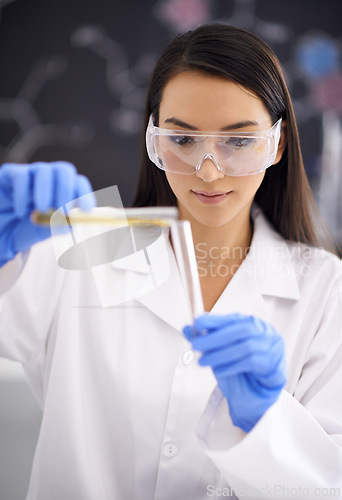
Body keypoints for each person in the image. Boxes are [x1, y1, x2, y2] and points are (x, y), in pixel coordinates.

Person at [0, 23, 341, 500]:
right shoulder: (88, 243)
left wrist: (263, 422)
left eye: (239, 141)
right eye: (182, 140)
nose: (208, 169)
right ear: (154, 142)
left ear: (277, 145)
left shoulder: (325, 288)